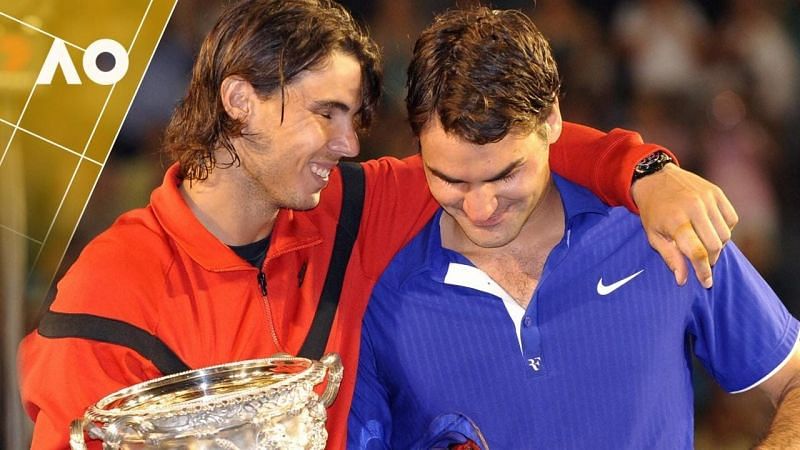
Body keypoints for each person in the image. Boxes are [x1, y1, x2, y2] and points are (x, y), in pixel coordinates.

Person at [18, 1, 738, 449]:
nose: (350, 143)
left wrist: (645, 172)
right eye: (325, 113)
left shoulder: (356, 207)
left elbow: (511, 146)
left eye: (355, 117)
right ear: (239, 100)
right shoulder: (106, 296)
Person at [348, 7, 800, 449]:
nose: (481, 207)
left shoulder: (661, 231)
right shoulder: (381, 292)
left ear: (552, 121)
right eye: (450, 179)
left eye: (505, 174)